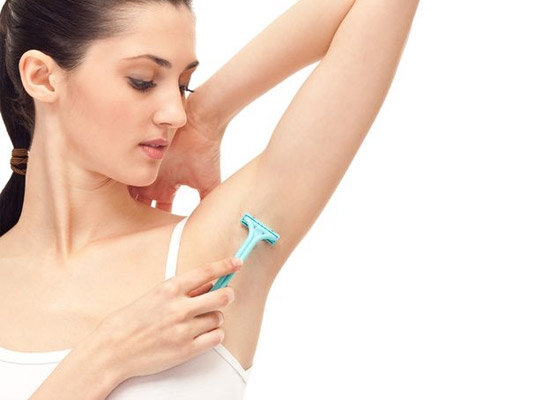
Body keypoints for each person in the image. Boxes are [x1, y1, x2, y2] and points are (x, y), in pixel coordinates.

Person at [0, 0, 419, 398]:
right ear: (42, 77)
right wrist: (106, 356)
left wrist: (208, 115)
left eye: (184, 85)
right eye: (143, 81)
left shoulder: (214, 255)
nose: (175, 113)